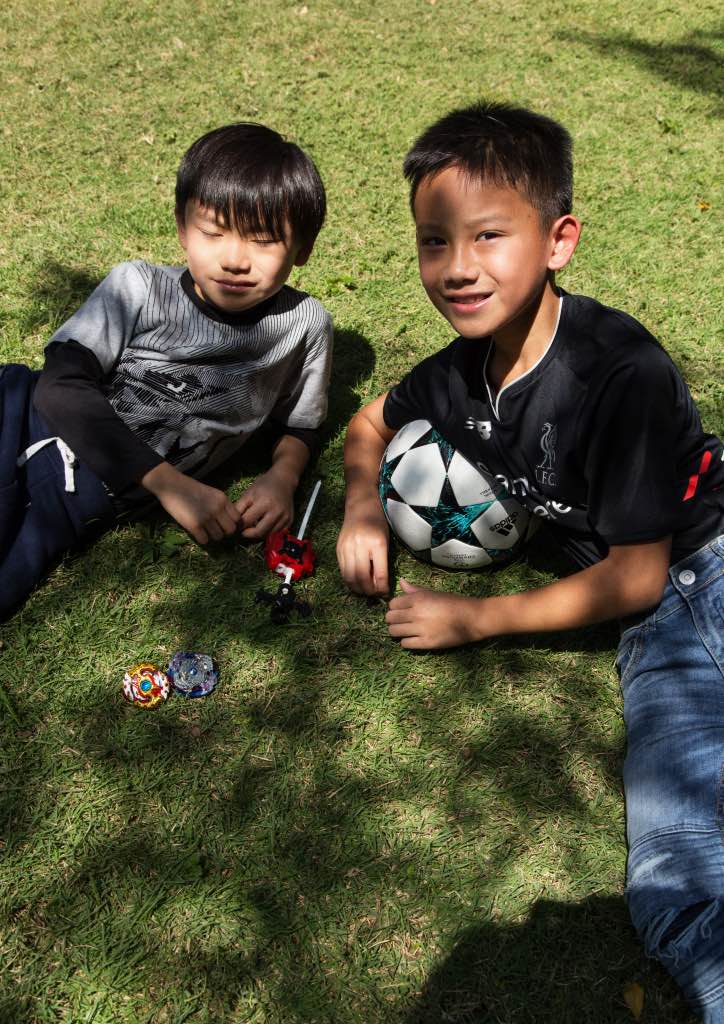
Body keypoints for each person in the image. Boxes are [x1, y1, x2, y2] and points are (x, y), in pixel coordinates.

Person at [336, 102, 724, 1020]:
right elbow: (367, 423)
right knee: (675, 892)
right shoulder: (460, 370)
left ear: (559, 240)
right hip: (652, 624)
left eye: (488, 236)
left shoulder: (616, 372)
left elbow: (635, 570)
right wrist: (360, 507)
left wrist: (475, 617)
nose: (458, 267)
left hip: (704, 562)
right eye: (434, 241)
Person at [0, 122, 332, 619]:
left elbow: (301, 422)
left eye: (263, 241)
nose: (235, 259)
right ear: (182, 227)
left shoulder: (304, 326)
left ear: (302, 250)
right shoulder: (136, 287)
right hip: (19, 418)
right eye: (213, 233)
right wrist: (169, 484)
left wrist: (282, 477)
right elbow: (59, 388)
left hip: (78, 499)